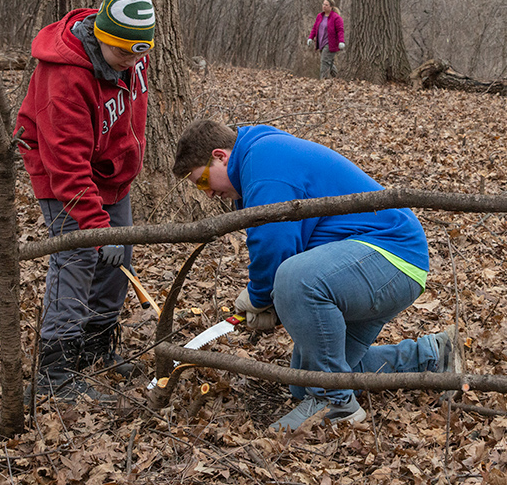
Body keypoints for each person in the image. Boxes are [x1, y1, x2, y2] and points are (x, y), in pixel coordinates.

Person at [172, 120, 462, 431]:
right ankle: (430, 357)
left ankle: (335, 403)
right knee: (306, 380)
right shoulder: (260, 157)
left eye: (203, 181)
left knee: (295, 280)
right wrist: (269, 303)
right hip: (370, 266)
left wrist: (258, 298)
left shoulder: (263, 163)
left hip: (390, 257)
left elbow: (274, 243)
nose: (209, 194)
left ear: (221, 156)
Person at [15, 0, 155, 402]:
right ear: (104, 38)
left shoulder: (131, 52)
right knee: (77, 259)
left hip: (112, 176)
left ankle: (96, 347)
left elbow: (130, 114)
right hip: (64, 178)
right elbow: (66, 162)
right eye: (125, 56)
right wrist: (95, 225)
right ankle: (56, 370)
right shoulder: (66, 77)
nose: (134, 63)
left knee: (118, 258)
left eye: (140, 55)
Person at [307, 0, 345, 79]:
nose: (324, 6)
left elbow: (340, 30)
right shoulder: (320, 16)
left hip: (331, 44)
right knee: (328, 62)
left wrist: (341, 41)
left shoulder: (336, 18)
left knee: (324, 62)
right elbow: (314, 28)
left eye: (326, 5)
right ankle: (338, 77)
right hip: (321, 43)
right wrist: (310, 38)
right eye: (323, 4)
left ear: (331, 7)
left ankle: (323, 81)